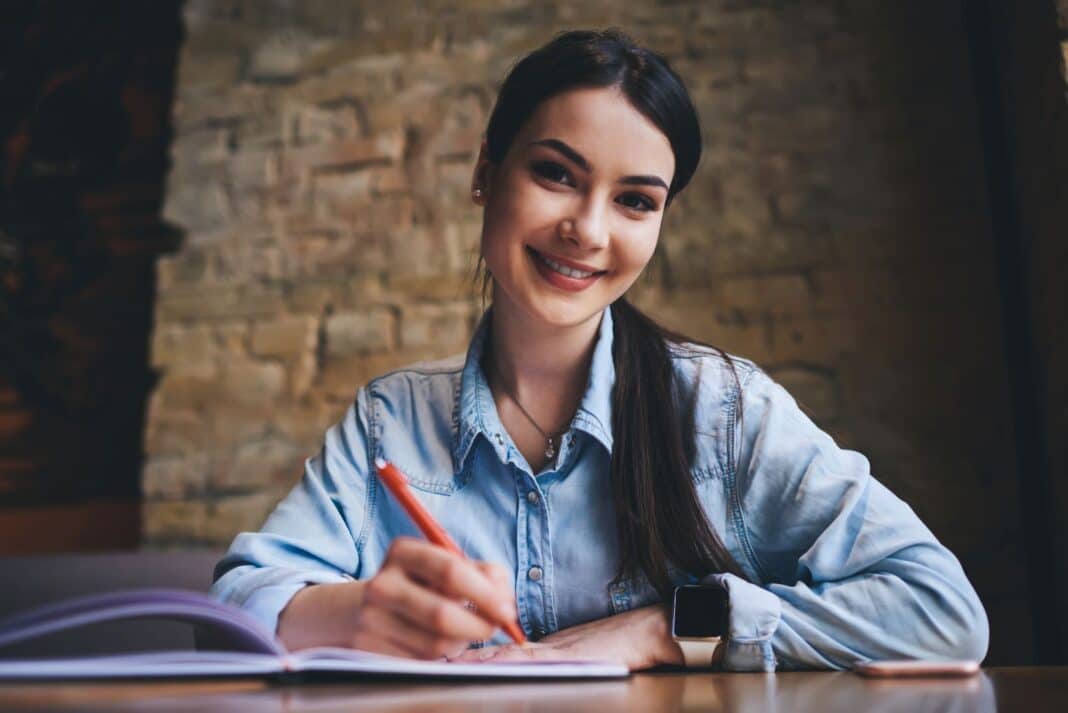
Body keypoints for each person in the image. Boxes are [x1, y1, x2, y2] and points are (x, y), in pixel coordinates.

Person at [211, 29, 988, 671]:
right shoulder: (391, 420)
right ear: (486, 172)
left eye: (635, 200)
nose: (587, 229)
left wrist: (664, 628)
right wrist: (348, 612)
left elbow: (941, 610)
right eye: (556, 173)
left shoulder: (723, 412)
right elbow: (229, 608)